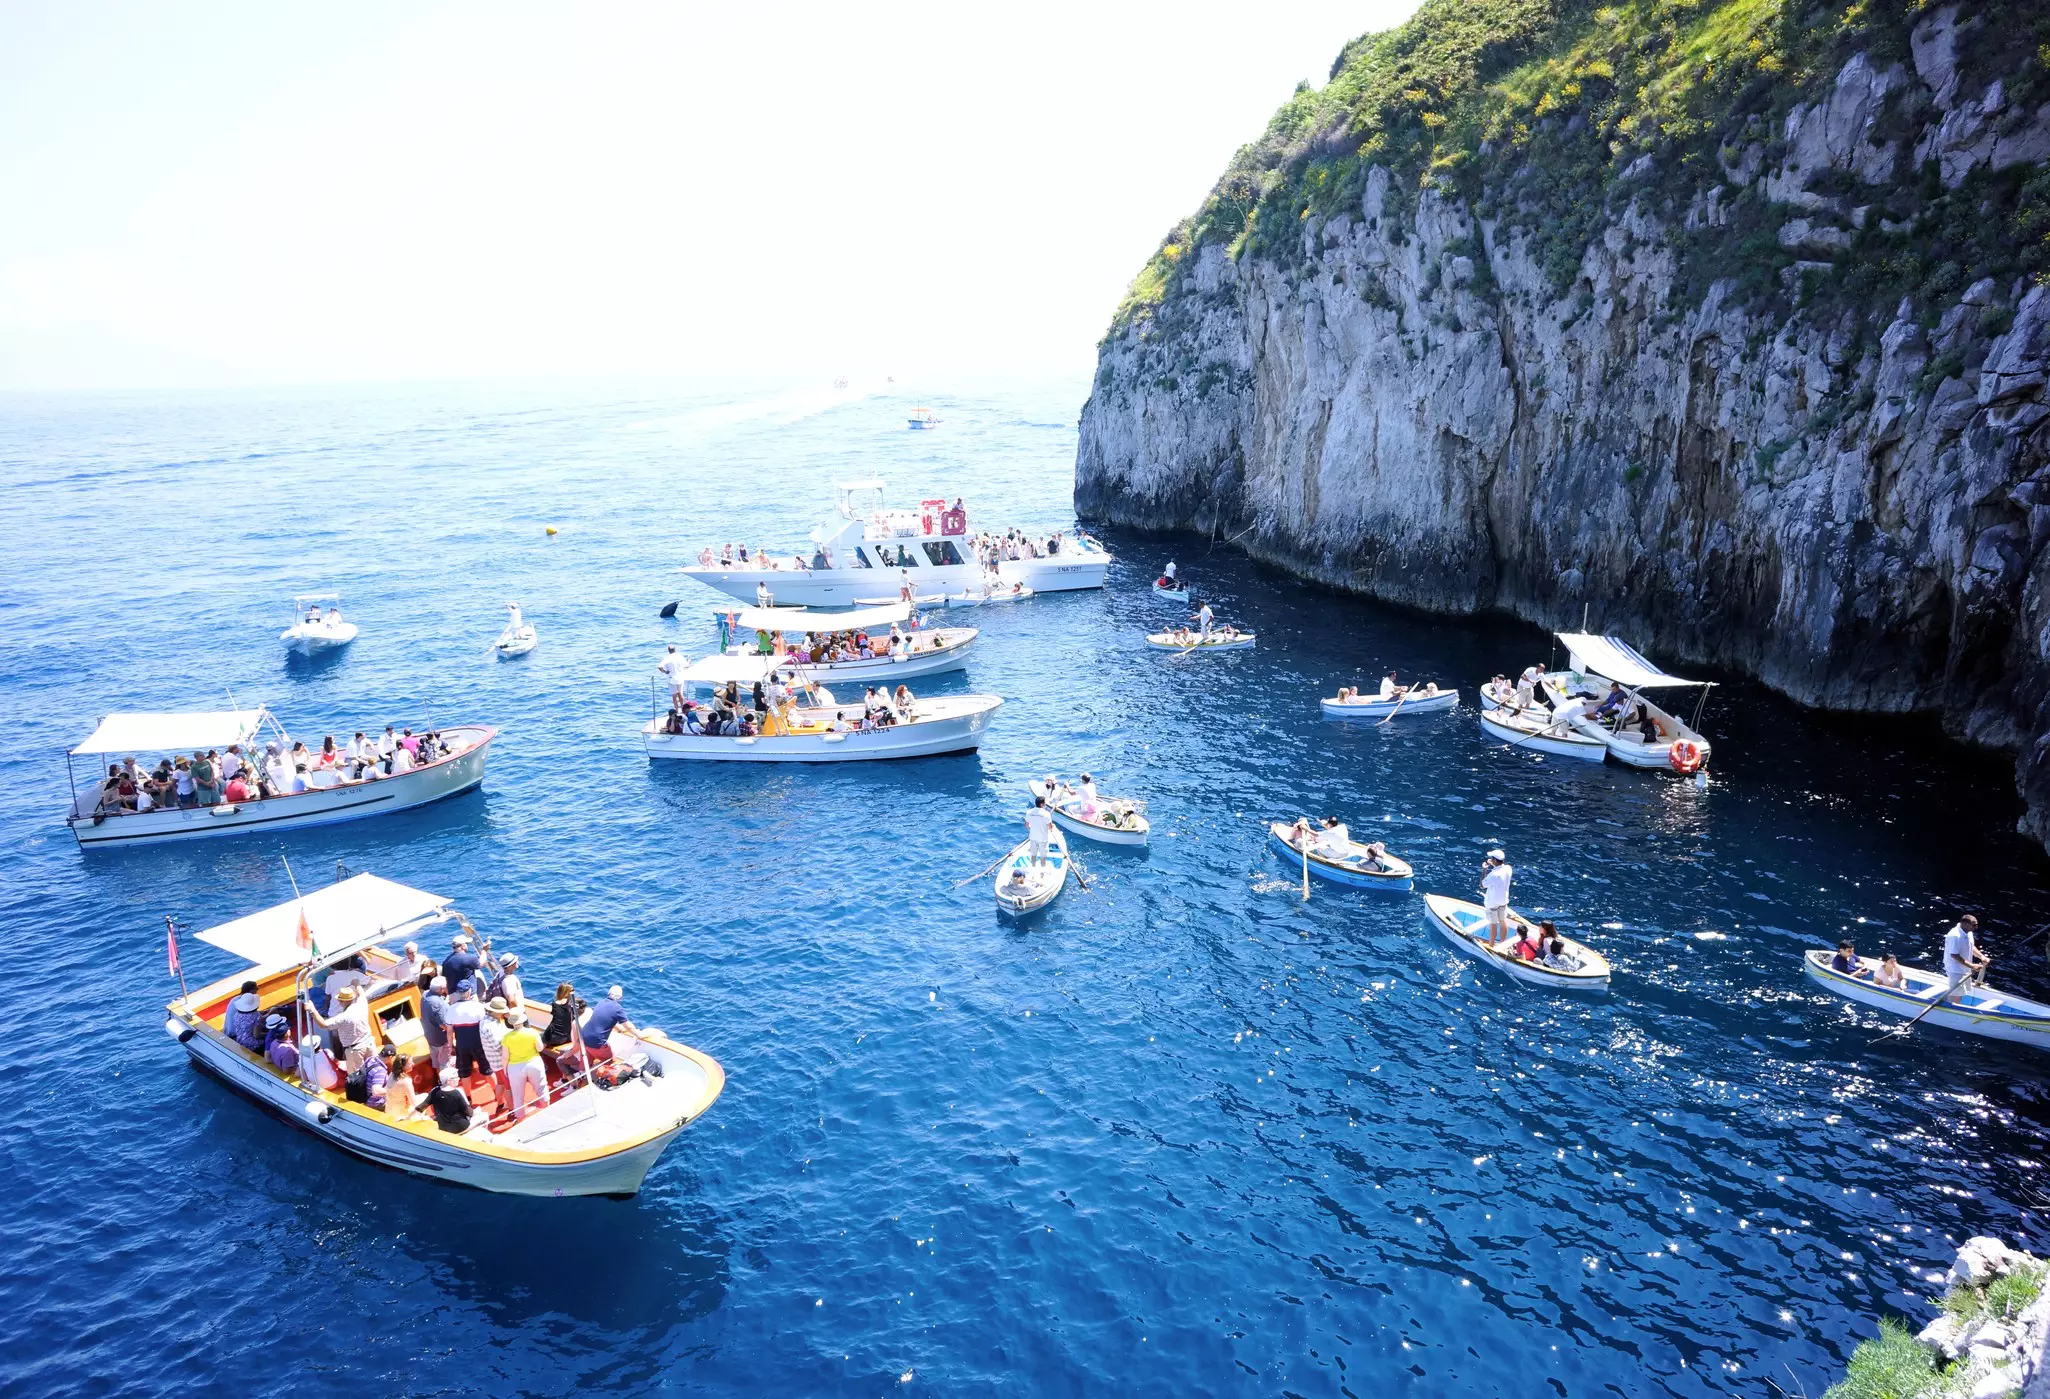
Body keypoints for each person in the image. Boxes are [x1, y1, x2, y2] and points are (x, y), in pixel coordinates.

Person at [305, 984, 375, 1073]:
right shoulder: (362, 1005)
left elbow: (323, 1025)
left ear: (340, 1001)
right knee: (375, 1070)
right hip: (369, 1043)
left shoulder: (342, 1017)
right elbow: (361, 993)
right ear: (353, 998)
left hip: (355, 1051)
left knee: (357, 1078)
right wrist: (356, 984)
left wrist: (312, 1010)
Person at [502, 1011, 547, 1120]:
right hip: (534, 1063)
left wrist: (505, 1069)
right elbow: (540, 1048)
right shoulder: (532, 1032)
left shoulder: (507, 1037)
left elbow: (505, 1057)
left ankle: (520, 1119)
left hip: (515, 1067)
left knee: (517, 1096)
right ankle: (547, 1111)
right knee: (542, 1089)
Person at [580, 985, 640, 1058]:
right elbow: (628, 1026)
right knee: (610, 1060)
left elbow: (607, 1019)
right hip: (596, 1041)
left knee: (588, 1059)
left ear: (608, 994)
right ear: (620, 998)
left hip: (583, 1036)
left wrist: (619, 1029)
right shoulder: (617, 1008)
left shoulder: (601, 1002)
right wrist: (639, 1035)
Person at [445, 981, 488, 1081]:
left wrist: (451, 1047)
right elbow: (484, 1028)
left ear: (457, 993)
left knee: (465, 1074)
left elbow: (449, 1032)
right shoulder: (478, 1007)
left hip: (461, 1046)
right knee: (487, 1070)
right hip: (478, 1044)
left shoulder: (451, 1009)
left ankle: (468, 1093)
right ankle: (496, 1089)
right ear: (469, 992)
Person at [1944, 914, 1988, 992]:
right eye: (1974, 925)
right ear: (1964, 924)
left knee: (1965, 991)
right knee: (1956, 994)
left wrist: (1981, 956)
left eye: (1976, 925)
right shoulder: (1955, 936)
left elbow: (1970, 946)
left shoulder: (1968, 932)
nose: (1976, 927)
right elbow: (1954, 955)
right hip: (1956, 970)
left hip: (1965, 969)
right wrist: (1972, 966)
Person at [425, 1065, 474, 1135]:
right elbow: (469, 1113)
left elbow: (424, 1107)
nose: (459, 1079)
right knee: (484, 1115)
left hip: (444, 1129)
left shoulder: (433, 1091)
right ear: (448, 1080)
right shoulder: (458, 1091)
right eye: (456, 1077)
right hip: (461, 1127)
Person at [1480, 849, 1513, 946]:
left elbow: (1482, 885)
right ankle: (1502, 943)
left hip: (1492, 903)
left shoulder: (1493, 875)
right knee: (1502, 921)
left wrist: (1484, 869)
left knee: (1493, 924)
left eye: (1492, 858)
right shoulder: (1508, 868)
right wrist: (1494, 864)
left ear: (1494, 860)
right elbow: (1500, 867)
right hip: (1503, 901)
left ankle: (1491, 945)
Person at [420, 975, 452, 1070]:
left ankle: (438, 1076)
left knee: (435, 1060)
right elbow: (444, 1025)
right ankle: (444, 1078)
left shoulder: (424, 995)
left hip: (429, 1035)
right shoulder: (439, 1004)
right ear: (442, 989)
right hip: (440, 1039)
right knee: (444, 1063)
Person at [543, 982, 585, 1051]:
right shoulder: (574, 1004)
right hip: (567, 1037)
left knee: (540, 1036)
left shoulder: (555, 1004)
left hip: (553, 1038)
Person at [224, 981, 265, 1051]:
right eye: (256, 989)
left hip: (234, 1034)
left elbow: (248, 1015)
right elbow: (256, 1034)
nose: (257, 990)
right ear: (251, 990)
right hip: (234, 1034)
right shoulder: (255, 1015)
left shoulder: (236, 1001)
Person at [384, 1052, 422, 1121]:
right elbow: (414, 1103)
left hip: (388, 1110)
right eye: (410, 1063)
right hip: (401, 1115)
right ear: (403, 1066)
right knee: (425, 1096)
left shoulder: (391, 1074)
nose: (413, 1064)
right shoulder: (406, 1081)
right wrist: (422, 1117)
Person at [1024, 796, 1055, 867]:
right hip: (1043, 838)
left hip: (1033, 837)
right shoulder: (1046, 814)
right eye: (1045, 803)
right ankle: (1042, 870)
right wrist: (1052, 827)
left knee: (1033, 855)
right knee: (1043, 856)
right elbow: (1050, 827)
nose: (1045, 804)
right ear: (1042, 804)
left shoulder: (1029, 812)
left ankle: (1033, 867)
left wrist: (1033, 829)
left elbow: (1026, 825)